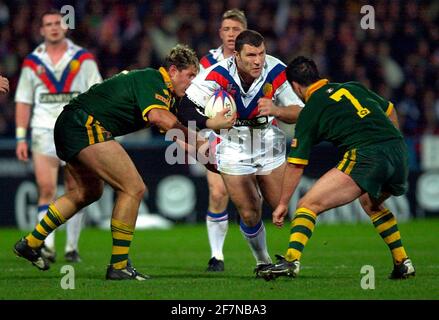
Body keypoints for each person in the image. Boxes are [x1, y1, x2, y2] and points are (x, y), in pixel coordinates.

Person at [13, 44, 205, 280]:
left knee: (87, 192)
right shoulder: (153, 79)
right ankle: (119, 265)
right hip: (85, 124)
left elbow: (177, 129)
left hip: (71, 123)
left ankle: (31, 243)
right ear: (173, 71)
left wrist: (210, 152)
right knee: (133, 188)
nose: (193, 82)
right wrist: (201, 143)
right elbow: (160, 119)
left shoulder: (167, 95)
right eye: (190, 76)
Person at [258, 56, 416, 280]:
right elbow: (389, 110)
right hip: (399, 152)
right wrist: (390, 144)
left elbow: (295, 164)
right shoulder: (353, 87)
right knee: (370, 202)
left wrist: (282, 203)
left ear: (295, 86)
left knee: (307, 205)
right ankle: (403, 262)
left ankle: (291, 262)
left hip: (367, 155)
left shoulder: (311, 109)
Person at [178, 30, 303, 275]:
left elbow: (300, 111)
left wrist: (276, 110)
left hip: (268, 144)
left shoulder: (276, 70)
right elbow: (185, 108)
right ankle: (263, 261)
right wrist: (210, 123)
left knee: (279, 205)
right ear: (236, 55)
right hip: (232, 147)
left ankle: (284, 252)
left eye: (262, 53)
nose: (258, 60)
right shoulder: (218, 74)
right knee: (249, 211)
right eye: (251, 55)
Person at [14, 10, 102, 263]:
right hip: (43, 131)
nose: (53, 28)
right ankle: (46, 245)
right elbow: (23, 100)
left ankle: (72, 248)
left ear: (65, 28)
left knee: (77, 189)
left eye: (57, 24)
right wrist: (21, 138)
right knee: (47, 188)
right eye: (48, 24)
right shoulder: (32, 61)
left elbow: (96, 93)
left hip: (74, 131)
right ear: (41, 30)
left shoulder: (83, 58)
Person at [199, 9, 247, 272]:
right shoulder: (206, 63)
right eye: (227, 29)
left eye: (236, 30)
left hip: (249, 136)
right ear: (220, 33)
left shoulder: (254, 59)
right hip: (215, 135)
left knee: (252, 201)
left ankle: (262, 256)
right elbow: (194, 97)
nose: (231, 34)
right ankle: (216, 256)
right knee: (218, 192)